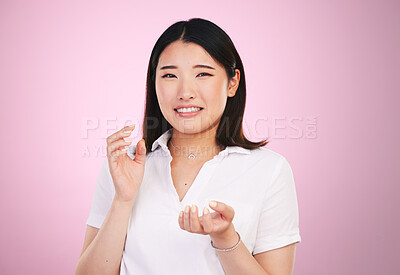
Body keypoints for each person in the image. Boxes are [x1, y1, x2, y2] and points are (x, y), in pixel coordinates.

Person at [75, 18, 301, 275]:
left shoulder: (269, 170)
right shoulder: (125, 166)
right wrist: (123, 200)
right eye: (170, 75)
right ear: (154, 83)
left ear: (232, 83)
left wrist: (226, 238)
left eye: (202, 73)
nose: (185, 92)